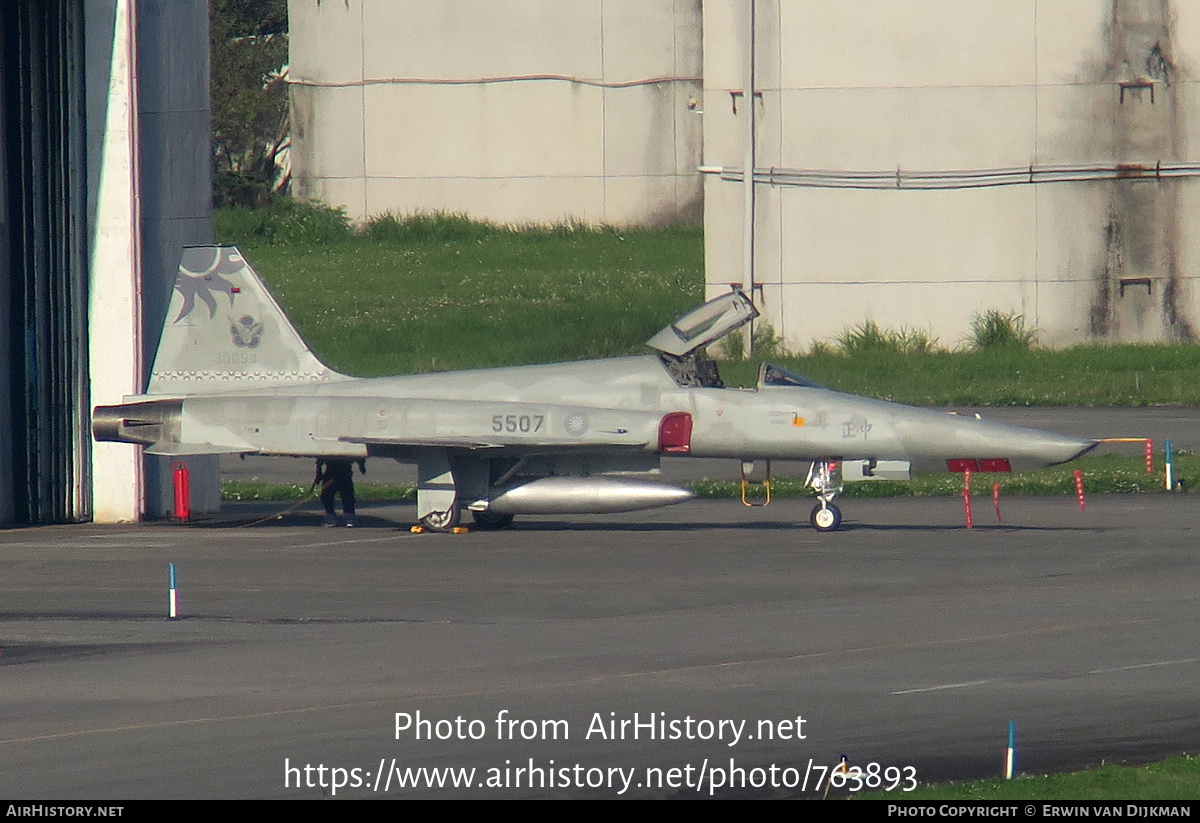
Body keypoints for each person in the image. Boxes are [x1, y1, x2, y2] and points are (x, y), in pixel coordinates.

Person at [314, 458, 365, 527]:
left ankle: (345, 517)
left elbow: (320, 459)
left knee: (345, 495)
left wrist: (318, 473)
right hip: (337, 471)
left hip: (340, 471)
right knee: (328, 495)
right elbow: (320, 459)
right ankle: (340, 517)